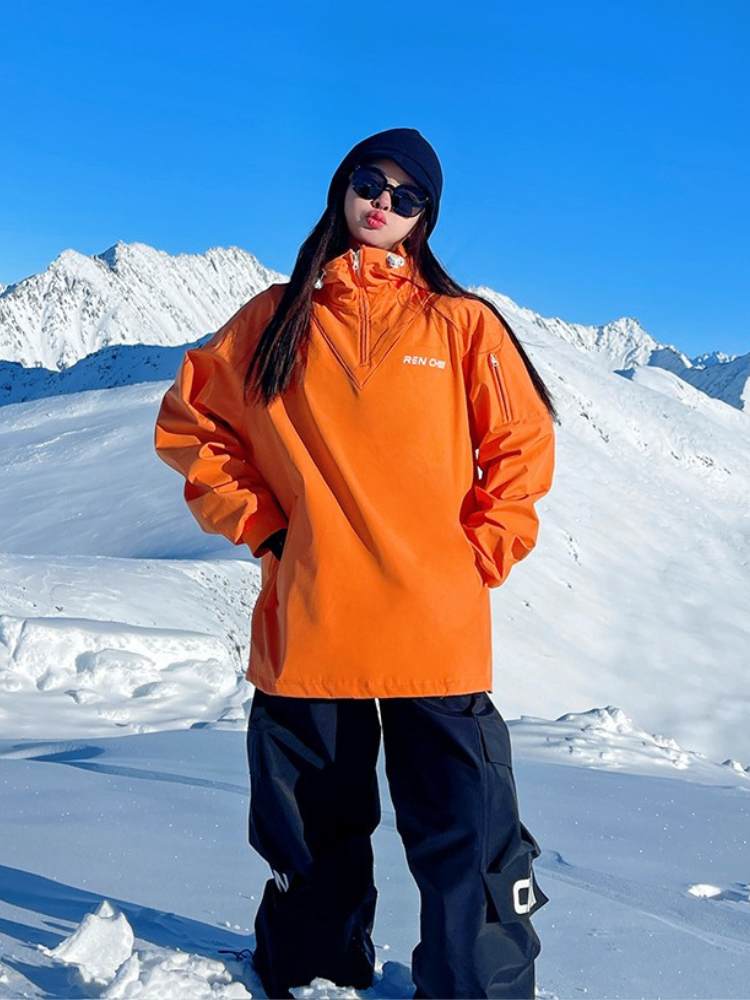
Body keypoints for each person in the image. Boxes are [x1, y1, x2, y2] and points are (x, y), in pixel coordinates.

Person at [154, 127, 556, 1000]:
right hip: (314, 621)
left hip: (434, 632)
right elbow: (192, 427)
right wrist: (267, 529)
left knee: (467, 838)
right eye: (371, 182)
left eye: (407, 197)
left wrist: (477, 555)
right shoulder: (274, 317)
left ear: (424, 219)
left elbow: (522, 448)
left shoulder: (461, 323)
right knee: (313, 836)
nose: (383, 203)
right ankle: (314, 979)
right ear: (343, 186)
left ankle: (474, 990)